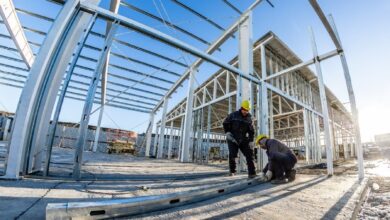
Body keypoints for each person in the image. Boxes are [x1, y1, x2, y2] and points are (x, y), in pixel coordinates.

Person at [223, 100, 256, 178]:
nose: (246, 112)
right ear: (241, 108)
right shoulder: (233, 115)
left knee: (249, 154)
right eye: (244, 110)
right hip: (232, 138)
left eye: (247, 110)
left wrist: (251, 140)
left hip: (243, 138)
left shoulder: (249, 118)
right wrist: (227, 132)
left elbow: (251, 130)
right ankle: (232, 171)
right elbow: (225, 123)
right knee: (233, 154)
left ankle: (252, 173)